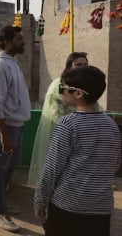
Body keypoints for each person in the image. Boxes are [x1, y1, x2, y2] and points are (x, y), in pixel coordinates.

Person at [34, 65, 121, 235]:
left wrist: (39, 200)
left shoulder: (68, 124)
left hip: (67, 208)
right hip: (101, 209)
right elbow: (115, 163)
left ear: (79, 94)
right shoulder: (112, 125)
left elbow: (52, 169)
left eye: (64, 88)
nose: (61, 92)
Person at [0, 25, 31, 232]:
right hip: (6, 126)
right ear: (8, 41)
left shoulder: (11, 62)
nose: (23, 42)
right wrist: (3, 134)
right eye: (19, 38)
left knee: (12, 165)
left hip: (17, 124)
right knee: (0, 167)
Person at [26, 52, 92, 187]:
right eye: (78, 64)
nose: (82, 67)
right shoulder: (59, 86)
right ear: (69, 67)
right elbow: (57, 117)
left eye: (85, 65)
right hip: (60, 136)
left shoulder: (85, 85)